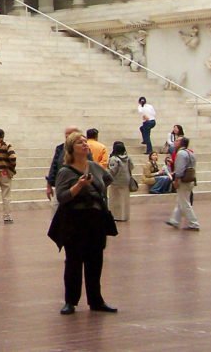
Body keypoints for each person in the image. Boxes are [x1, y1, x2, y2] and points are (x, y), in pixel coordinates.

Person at [47, 131, 117, 315]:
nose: (85, 145)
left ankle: (96, 300)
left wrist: (97, 191)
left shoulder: (94, 167)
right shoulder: (64, 171)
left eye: (85, 142)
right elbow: (61, 196)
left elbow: (108, 179)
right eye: (80, 143)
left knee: (95, 260)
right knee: (74, 262)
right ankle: (70, 301)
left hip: (95, 219)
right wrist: (78, 186)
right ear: (71, 149)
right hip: (74, 220)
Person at [165, 137, 200, 230]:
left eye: (177, 141)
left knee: (185, 203)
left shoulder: (181, 153)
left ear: (181, 143)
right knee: (181, 201)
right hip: (190, 179)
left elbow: (180, 170)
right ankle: (175, 220)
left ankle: (194, 223)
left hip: (183, 180)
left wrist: (176, 180)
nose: (175, 142)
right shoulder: (190, 152)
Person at [46, 126, 85, 201]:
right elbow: (54, 166)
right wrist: (49, 185)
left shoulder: (84, 150)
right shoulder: (60, 148)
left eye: (70, 135)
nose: (67, 137)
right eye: (66, 135)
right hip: (62, 186)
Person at [106, 141, 133, 221]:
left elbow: (112, 171)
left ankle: (116, 216)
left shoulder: (114, 159)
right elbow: (131, 167)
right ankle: (125, 216)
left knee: (115, 200)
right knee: (125, 200)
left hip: (116, 182)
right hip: (126, 181)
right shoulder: (128, 157)